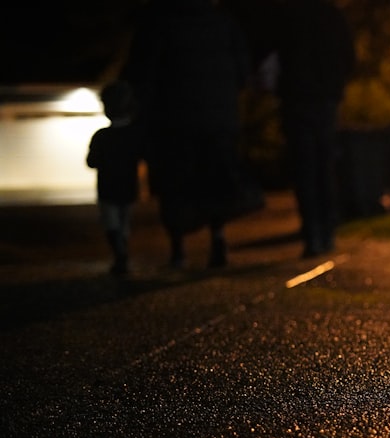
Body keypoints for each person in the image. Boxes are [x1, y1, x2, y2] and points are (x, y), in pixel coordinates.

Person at [122, 0, 252, 269]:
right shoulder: (222, 22)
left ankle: (178, 248)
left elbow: (141, 72)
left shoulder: (159, 22)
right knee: (215, 179)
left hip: (173, 119)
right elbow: (242, 68)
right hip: (217, 117)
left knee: (176, 183)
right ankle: (217, 237)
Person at [272, 0, 356, 258]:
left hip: (298, 100)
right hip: (324, 100)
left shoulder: (289, 16)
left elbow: (277, 57)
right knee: (323, 166)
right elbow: (349, 58)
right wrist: (335, 85)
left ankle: (313, 233)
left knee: (305, 169)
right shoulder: (332, 16)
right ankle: (326, 230)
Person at [87, 81, 143, 275]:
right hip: (128, 186)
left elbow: (91, 162)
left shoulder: (101, 136)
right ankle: (122, 254)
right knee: (124, 223)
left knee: (112, 224)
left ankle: (120, 255)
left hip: (107, 187)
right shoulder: (135, 135)